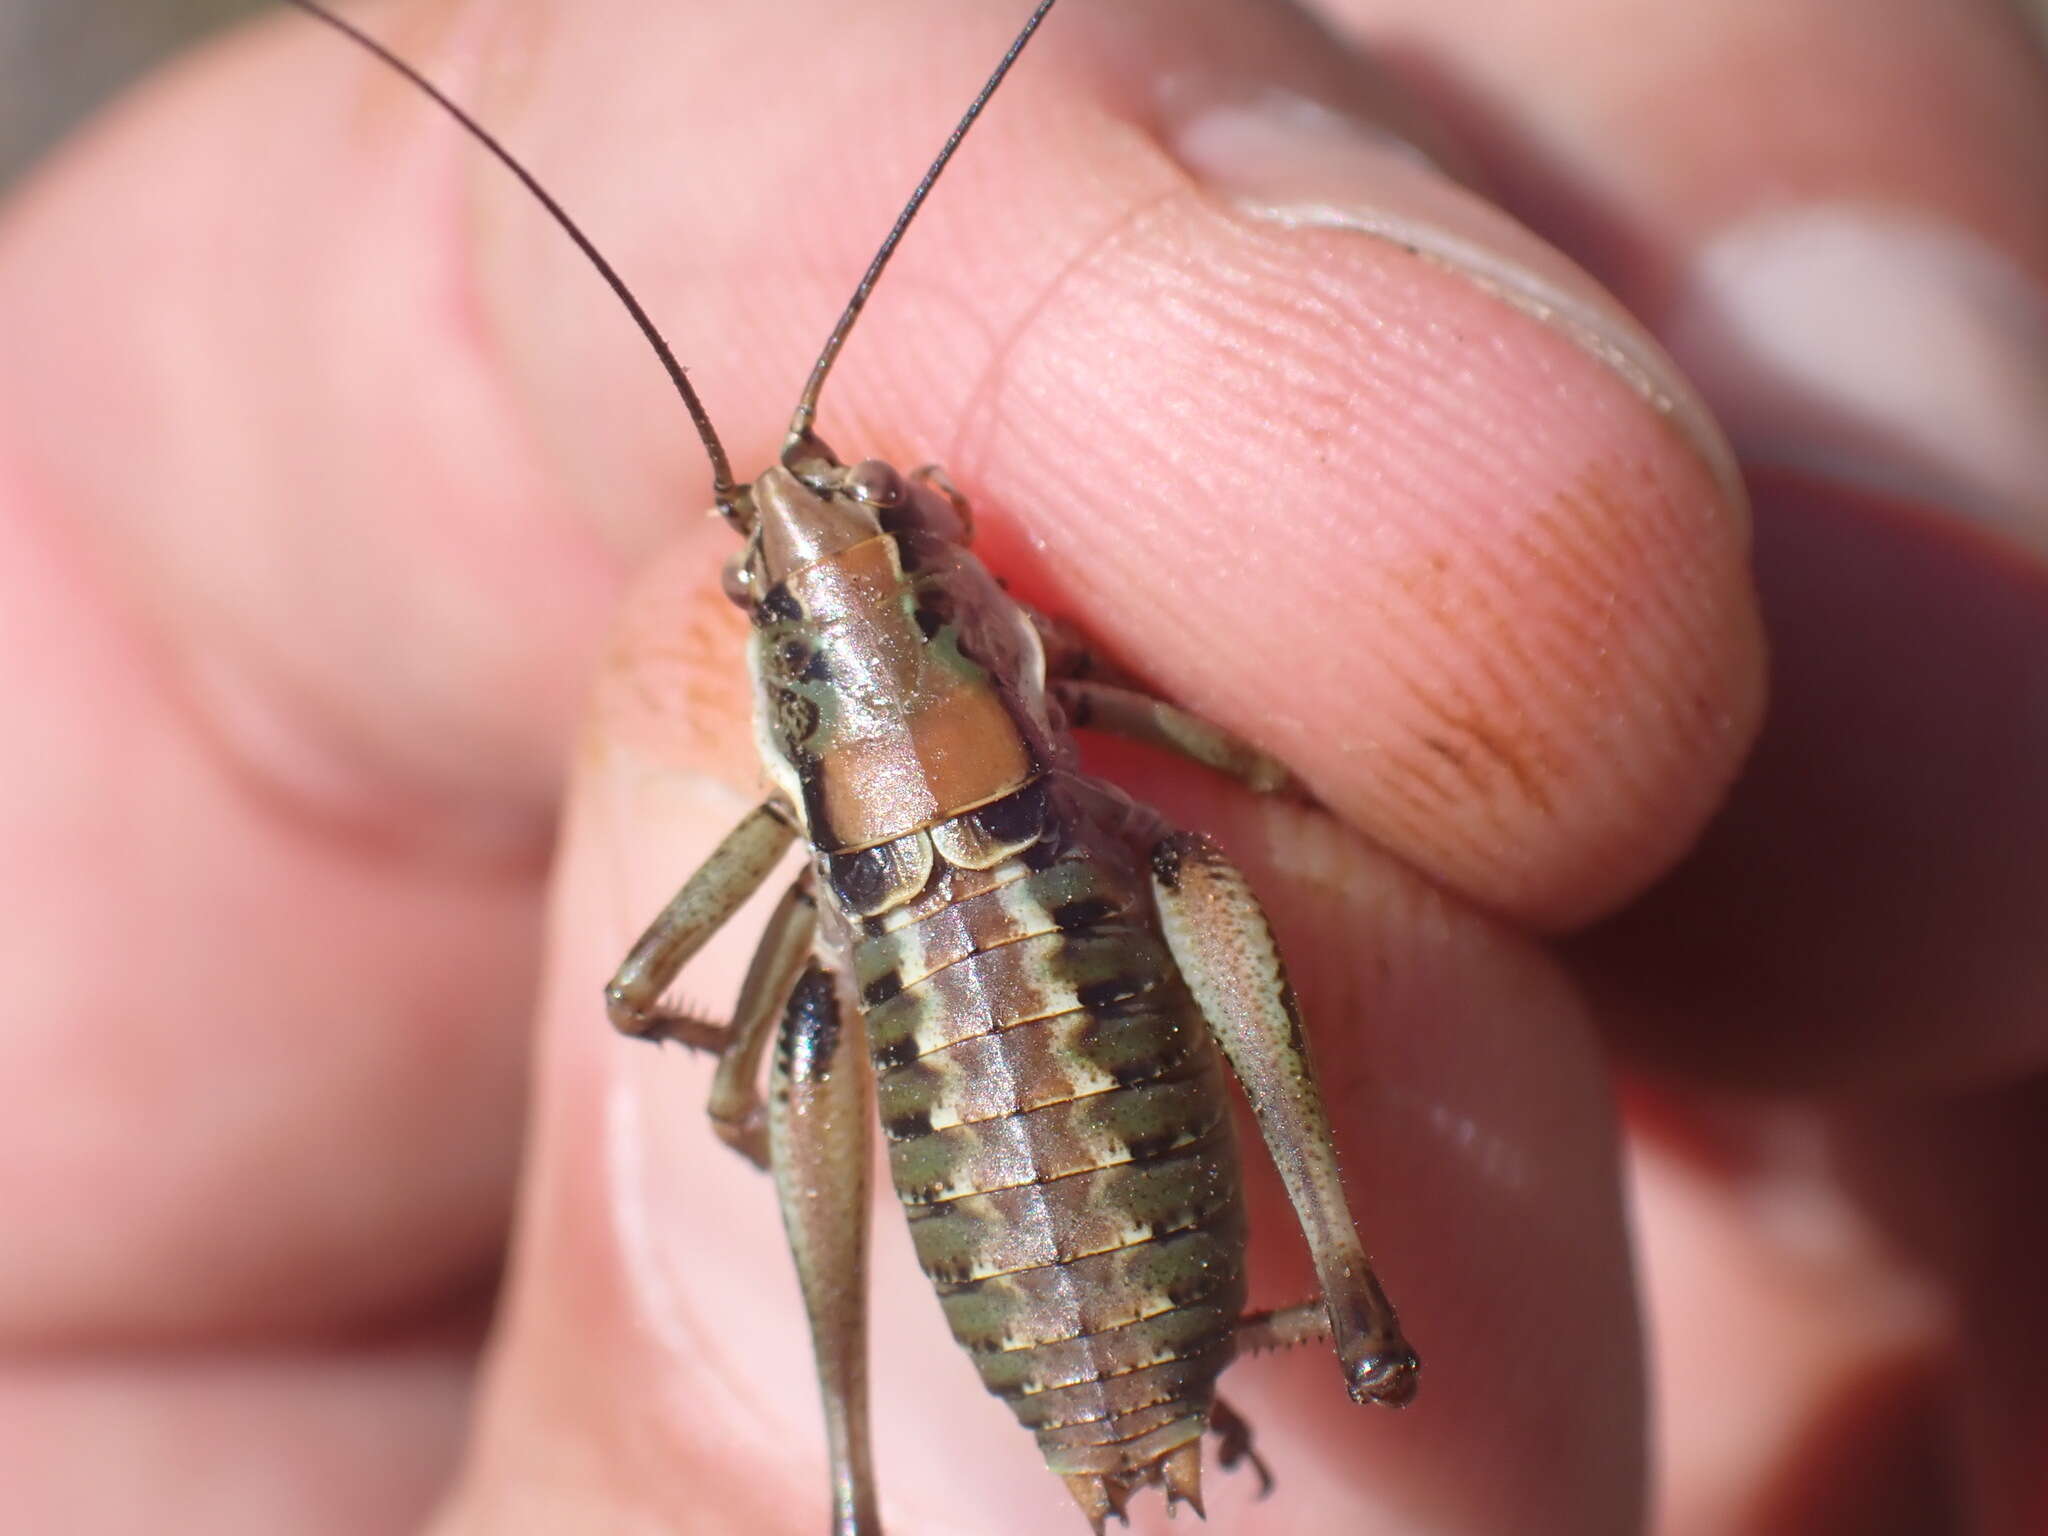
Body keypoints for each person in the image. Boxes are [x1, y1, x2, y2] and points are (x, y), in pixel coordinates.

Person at [1, 1, 2041, 1530]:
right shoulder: (1095, 745)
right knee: (1208, 859)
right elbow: (1218, 753)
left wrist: (756, 1060)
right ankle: (1013, 1419)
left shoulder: (985, 793)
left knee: (1149, 909)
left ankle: (1330, 1281)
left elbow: (649, 998)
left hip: (932, 943)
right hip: (1007, 917)